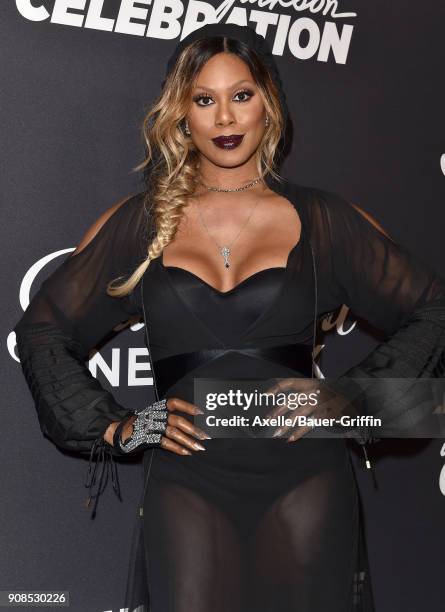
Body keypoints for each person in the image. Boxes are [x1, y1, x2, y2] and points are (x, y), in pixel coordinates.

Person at [13, 22, 445, 612]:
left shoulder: (323, 220)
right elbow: (42, 330)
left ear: (269, 102)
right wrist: (117, 426)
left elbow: (433, 309)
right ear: (180, 114)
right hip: (188, 480)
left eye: (241, 96)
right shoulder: (141, 222)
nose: (224, 119)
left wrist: (357, 398)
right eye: (204, 99)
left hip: (306, 475)